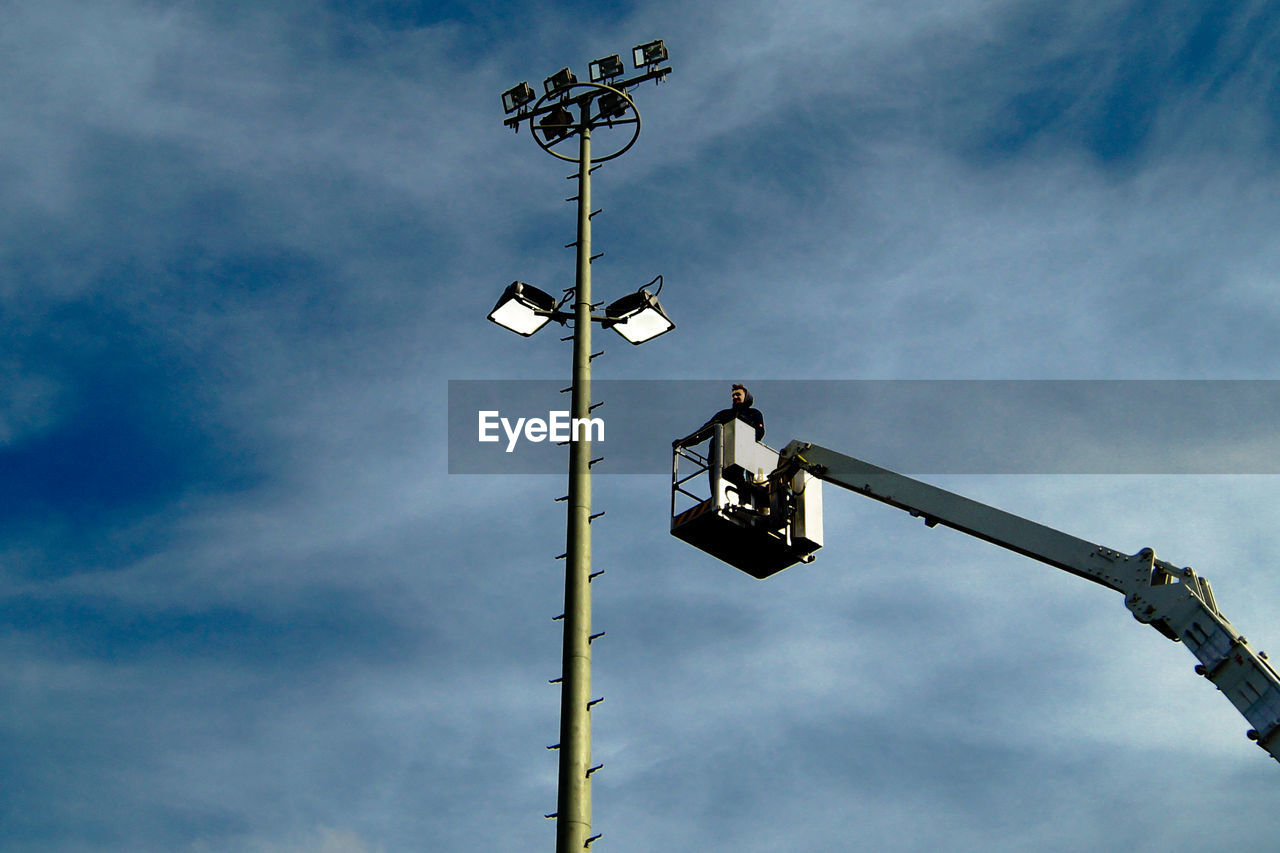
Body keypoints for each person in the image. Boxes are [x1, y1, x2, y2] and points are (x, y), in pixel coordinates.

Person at [672, 384, 765, 449]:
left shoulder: (754, 414)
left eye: (738, 394)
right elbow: (704, 432)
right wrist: (684, 442)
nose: (735, 397)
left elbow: (759, 433)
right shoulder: (724, 415)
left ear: (746, 397)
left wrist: (742, 440)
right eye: (733, 395)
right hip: (717, 456)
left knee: (736, 477)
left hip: (740, 455)